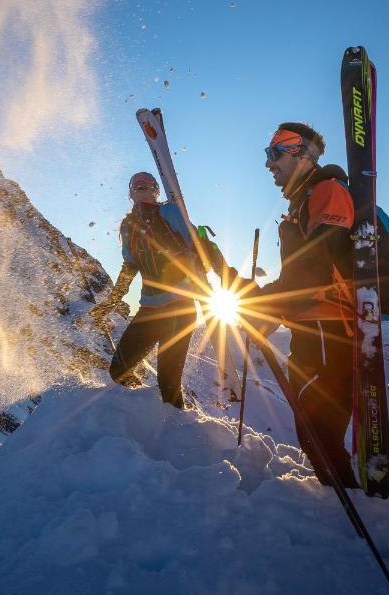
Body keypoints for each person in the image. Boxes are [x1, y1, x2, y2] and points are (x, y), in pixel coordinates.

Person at [232, 123, 359, 488]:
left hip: (329, 330)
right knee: (314, 430)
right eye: (267, 154)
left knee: (316, 431)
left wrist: (263, 303)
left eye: (276, 152)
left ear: (302, 152)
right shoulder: (302, 203)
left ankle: (350, 509)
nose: (269, 163)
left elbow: (312, 272)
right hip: (312, 329)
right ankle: (346, 503)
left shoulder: (327, 192)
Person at [91, 172, 205, 409]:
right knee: (118, 370)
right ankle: (145, 412)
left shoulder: (171, 212)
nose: (143, 187)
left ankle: (178, 430)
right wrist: (112, 301)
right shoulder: (127, 226)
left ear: (156, 190)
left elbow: (199, 247)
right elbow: (130, 265)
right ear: (130, 193)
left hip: (180, 307)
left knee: (168, 384)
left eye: (149, 184)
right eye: (137, 185)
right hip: (150, 309)